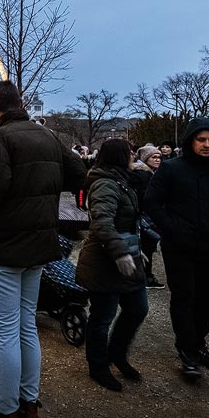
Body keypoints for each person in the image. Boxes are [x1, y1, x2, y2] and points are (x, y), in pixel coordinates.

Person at [0, 81, 86, 418]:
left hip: (2, 247)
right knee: (26, 326)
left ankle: (4, 416)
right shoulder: (46, 136)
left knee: (4, 332)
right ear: (20, 101)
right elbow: (79, 174)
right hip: (37, 246)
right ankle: (29, 408)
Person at [144, 117, 209, 381]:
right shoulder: (171, 168)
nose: (206, 145)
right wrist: (171, 228)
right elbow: (152, 202)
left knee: (205, 297)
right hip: (179, 246)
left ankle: (199, 343)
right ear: (190, 141)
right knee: (184, 296)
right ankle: (187, 351)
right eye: (201, 140)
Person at [76, 139, 149, 392]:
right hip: (104, 262)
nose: (133, 157)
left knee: (137, 308)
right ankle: (98, 365)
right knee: (102, 316)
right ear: (118, 157)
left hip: (126, 257)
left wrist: (136, 251)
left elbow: (129, 222)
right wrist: (121, 253)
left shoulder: (122, 180)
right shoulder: (105, 183)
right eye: (129, 153)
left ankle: (117, 354)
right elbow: (102, 223)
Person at [128, 145, 165, 289]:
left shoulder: (149, 173)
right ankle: (146, 277)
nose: (157, 160)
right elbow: (145, 197)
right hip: (145, 216)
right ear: (145, 158)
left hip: (146, 215)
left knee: (147, 247)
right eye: (153, 157)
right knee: (146, 247)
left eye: (159, 157)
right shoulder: (142, 174)